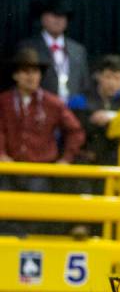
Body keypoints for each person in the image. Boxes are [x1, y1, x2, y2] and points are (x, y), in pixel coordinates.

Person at [0, 47, 85, 216]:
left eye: (35, 71)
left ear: (40, 75)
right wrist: (1, 154)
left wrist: (66, 159)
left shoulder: (53, 103)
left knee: (37, 211)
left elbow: (75, 131)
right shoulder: (4, 101)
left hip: (40, 171)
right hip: (8, 169)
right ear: (15, 75)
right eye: (25, 71)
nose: (31, 76)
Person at [69, 54, 120, 165]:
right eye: (108, 77)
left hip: (119, 161)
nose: (112, 83)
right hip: (87, 161)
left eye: (117, 78)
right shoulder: (80, 101)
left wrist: (112, 117)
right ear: (98, 76)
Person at [20, 0, 90, 101]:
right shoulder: (28, 47)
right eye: (54, 15)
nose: (58, 20)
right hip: (40, 107)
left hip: (72, 111)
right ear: (42, 18)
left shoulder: (78, 50)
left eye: (62, 16)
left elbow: (84, 84)